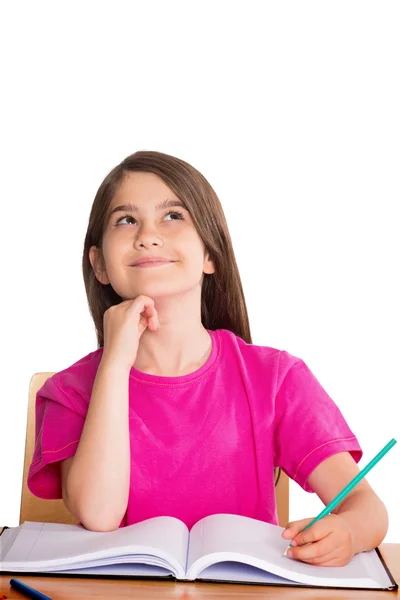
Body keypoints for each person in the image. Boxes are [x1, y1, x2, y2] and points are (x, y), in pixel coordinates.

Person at [28, 150, 388, 567]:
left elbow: (368, 508)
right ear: (99, 265)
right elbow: (99, 513)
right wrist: (114, 363)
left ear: (211, 255)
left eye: (173, 216)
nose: (147, 235)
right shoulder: (70, 391)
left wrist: (346, 532)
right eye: (125, 220)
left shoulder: (275, 378)